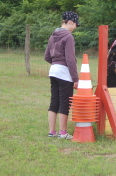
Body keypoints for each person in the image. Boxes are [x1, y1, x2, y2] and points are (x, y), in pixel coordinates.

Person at [44, 11, 80, 139]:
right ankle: (63, 133)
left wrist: (56, 63)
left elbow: (46, 56)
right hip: (64, 73)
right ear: (70, 22)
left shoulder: (53, 35)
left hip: (53, 71)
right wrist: (76, 79)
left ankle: (52, 131)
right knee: (64, 103)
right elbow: (70, 59)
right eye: (76, 24)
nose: (75, 27)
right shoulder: (68, 36)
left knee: (54, 102)